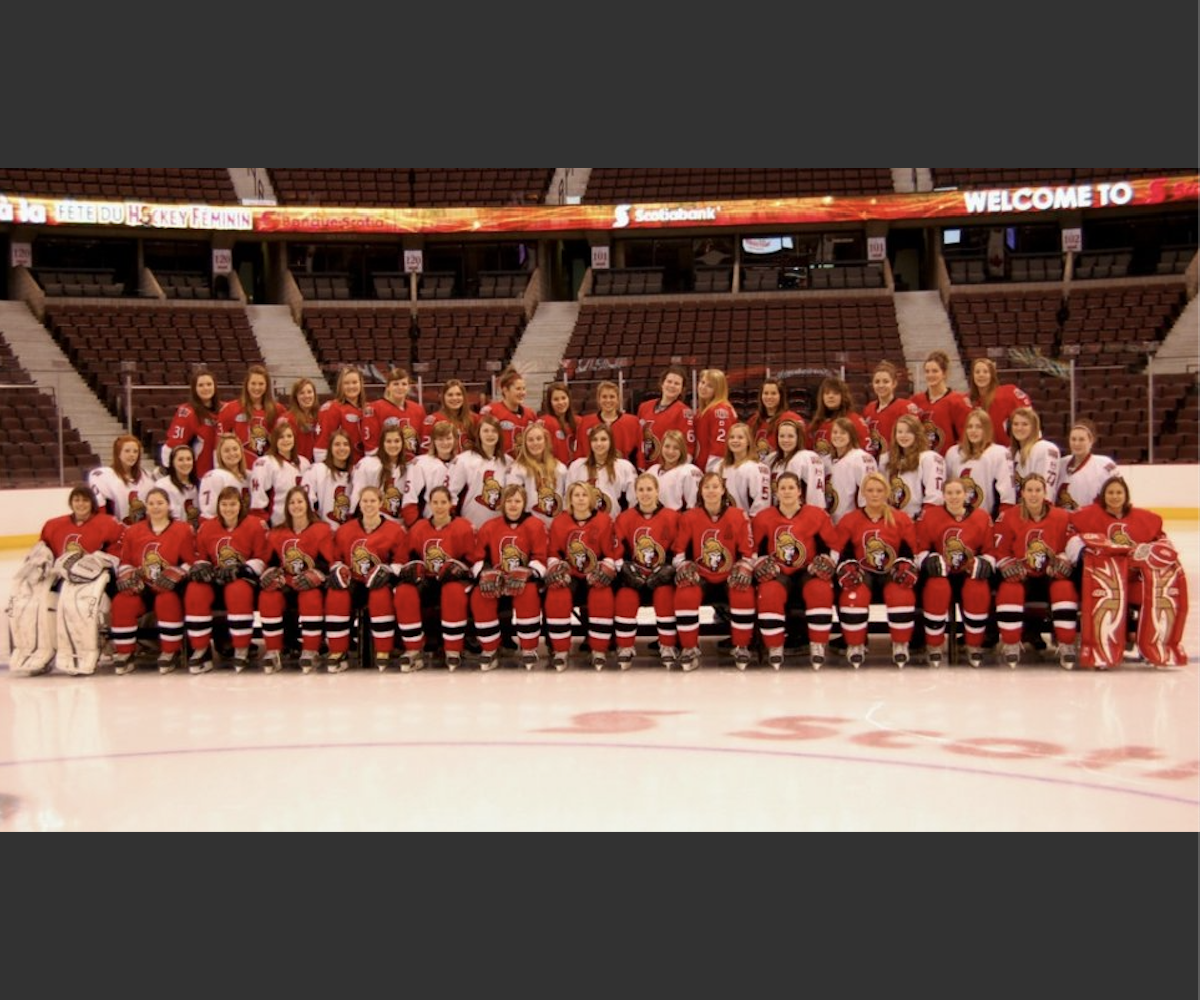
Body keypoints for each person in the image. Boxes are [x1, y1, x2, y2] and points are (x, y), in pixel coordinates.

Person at [1069, 476, 1188, 669]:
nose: (1114, 497)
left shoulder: (1145, 519)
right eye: (1110, 493)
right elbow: (1074, 542)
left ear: (1126, 495)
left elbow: (1162, 544)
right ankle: (1101, 649)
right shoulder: (1087, 517)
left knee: (1158, 592)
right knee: (1104, 596)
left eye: (1118, 493)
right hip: (1103, 579)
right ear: (1103, 496)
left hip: (1135, 578)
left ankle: (1152, 646)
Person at [7, 486, 124, 677]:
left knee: (79, 606)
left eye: (85, 500)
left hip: (93, 579)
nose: (81, 504)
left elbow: (116, 551)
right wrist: (41, 558)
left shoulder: (107, 523)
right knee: (33, 603)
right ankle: (38, 648)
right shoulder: (54, 525)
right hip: (62, 578)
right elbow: (43, 546)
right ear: (71, 502)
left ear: (92, 503)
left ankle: (89, 648)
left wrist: (98, 561)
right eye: (77, 500)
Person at [987, 473, 1079, 669]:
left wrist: (1064, 560)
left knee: (1064, 588)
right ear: (1022, 493)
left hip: (1050, 574)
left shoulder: (1062, 516)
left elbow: (1071, 545)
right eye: (1029, 490)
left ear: (1045, 493)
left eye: (1038, 490)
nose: (1034, 494)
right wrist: (1007, 564)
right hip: (1022, 574)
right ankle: (1011, 643)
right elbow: (999, 549)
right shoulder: (1008, 517)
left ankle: (1066, 643)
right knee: (1009, 589)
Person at [751, 472, 841, 671]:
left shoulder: (817, 515)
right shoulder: (764, 518)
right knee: (769, 593)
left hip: (807, 569)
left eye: (791, 487)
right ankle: (774, 646)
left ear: (800, 491)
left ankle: (818, 644)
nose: (787, 492)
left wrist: (826, 560)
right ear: (776, 491)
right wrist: (761, 563)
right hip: (778, 571)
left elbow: (834, 545)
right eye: (782, 488)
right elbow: (753, 549)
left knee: (820, 590)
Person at [671, 472, 757, 671]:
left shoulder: (738, 516)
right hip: (701, 574)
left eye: (715, 486)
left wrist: (744, 566)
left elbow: (748, 552)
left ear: (723, 490)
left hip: (729, 575)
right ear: (700, 491)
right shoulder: (689, 516)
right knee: (685, 593)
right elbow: (679, 552)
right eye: (706, 487)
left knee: (742, 590)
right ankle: (689, 648)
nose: (711, 491)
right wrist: (683, 565)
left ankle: (742, 645)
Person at [834, 471, 920, 668]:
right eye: (870, 490)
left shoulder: (900, 519)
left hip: (891, 572)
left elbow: (910, 550)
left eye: (879, 490)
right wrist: (847, 566)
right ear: (863, 492)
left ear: (886, 493)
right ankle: (855, 644)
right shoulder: (850, 519)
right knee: (853, 594)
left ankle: (900, 643)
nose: (874, 494)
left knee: (901, 593)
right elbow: (841, 552)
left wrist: (905, 564)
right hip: (863, 572)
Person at [110, 487, 197, 675]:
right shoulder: (133, 531)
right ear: (146, 507)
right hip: (142, 586)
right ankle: (125, 652)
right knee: (122, 601)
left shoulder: (182, 530)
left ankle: (170, 650)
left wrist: (177, 573)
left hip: (170, 588)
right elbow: (124, 561)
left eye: (160, 503)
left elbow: (191, 561)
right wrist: (128, 575)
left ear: (168, 505)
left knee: (167, 601)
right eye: (151, 503)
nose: (156, 507)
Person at [186, 486, 270, 673]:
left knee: (237, 590)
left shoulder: (255, 525)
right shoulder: (207, 527)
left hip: (244, 580)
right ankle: (200, 649)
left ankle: (241, 648)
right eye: (224, 504)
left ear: (240, 505)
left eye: (233, 504)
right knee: (195, 589)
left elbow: (262, 557)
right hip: (216, 578)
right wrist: (201, 567)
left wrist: (243, 568)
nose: (228, 508)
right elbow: (201, 555)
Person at [323, 485, 407, 673]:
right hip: (355, 581)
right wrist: (338, 569)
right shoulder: (345, 530)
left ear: (381, 503)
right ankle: (338, 650)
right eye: (365, 501)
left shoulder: (395, 531)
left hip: (379, 583)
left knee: (380, 595)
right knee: (337, 593)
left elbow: (401, 560)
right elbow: (336, 558)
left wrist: (389, 570)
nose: (369, 505)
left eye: (373, 501)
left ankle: (383, 650)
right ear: (359, 504)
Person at [393, 486, 476, 672]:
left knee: (452, 591)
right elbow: (404, 557)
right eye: (435, 502)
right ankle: (413, 649)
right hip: (427, 580)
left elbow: (472, 559)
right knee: (405, 591)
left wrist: (460, 569)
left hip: (452, 581)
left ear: (451, 504)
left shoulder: (463, 527)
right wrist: (408, 570)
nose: (439, 507)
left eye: (443, 502)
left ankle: (453, 649)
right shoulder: (419, 527)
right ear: (429, 504)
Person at [915, 478, 996, 668]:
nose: (954, 497)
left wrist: (984, 562)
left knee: (977, 588)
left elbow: (990, 550)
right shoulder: (930, 516)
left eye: (958, 493)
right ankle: (934, 645)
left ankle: (973, 645)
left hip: (968, 572)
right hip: (942, 572)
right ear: (943, 495)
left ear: (966, 495)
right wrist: (928, 560)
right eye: (949, 493)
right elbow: (921, 547)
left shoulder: (981, 517)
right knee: (937, 587)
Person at [470, 484, 549, 671]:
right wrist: (484, 572)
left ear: (524, 503)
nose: (513, 505)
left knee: (528, 594)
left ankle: (529, 649)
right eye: (509, 501)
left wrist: (529, 572)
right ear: (502, 503)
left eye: (517, 501)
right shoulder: (490, 527)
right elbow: (478, 557)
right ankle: (489, 649)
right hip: (497, 580)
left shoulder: (535, 525)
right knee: (479, 595)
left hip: (524, 582)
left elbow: (540, 558)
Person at [544, 481, 621, 672]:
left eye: (584, 495)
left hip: (594, 574)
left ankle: (599, 649)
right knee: (557, 595)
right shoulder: (560, 521)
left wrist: (605, 568)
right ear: (569, 499)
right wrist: (556, 568)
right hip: (570, 574)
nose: (580, 499)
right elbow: (553, 552)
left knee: (601, 595)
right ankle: (560, 650)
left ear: (591, 498)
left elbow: (610, 553)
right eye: (576, 495)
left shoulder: (603, 521)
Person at [259, 487, 336, 675]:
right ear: (287, 507)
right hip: (286, 582)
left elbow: (328, 561)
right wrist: (271, 573)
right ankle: (273, 650)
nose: (296, 506)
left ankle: (311, 649)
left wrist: (316, 574)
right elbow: (270, 562)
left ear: (307, 505)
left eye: (300, 501)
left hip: (311, 583)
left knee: (311, 596)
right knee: (268, 596)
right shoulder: (277, 533)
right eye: (292, 502)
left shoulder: (321, 529)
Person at [614, 474, 681, 669]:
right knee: (626, 597)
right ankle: (625, 646)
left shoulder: (672, 517)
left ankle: (667, 645)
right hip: (635, 576)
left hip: (661, 577)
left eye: (649, 489)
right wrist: (625, 569)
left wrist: (668, 568)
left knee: (664, 596)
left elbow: (679, 550)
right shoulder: (625, 518)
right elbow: (618, 551)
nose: (645, 494)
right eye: (641, 490)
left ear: (657, 491)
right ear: (635, 492)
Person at [945, 409, 1016, 519]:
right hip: (957, 518)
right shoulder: (953, 453)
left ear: (987, 429)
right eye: (970, 426)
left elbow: (1006, 493)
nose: (973, 431)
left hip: (986, 520)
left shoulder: (999, 453)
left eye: (979, 427)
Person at [449, 414, 512, 531]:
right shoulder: (464, 460)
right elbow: (451, 494)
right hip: (472, 526)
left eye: (494, 431)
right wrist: (457, 522)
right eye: (486, 430)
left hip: (499, 528)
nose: (490, 434)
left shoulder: (508, 462)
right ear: (478, 433)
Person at [878, 413, 946, 521]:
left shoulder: (929, 458)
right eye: (900, 432)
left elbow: (934, 497)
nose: (903, 435)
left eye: (909, 432)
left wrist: (922, 520)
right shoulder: (887, 459)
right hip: (892, 520)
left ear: (917, 434)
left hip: (916, 521)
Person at [218, 364, 284, 469]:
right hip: (241, 468)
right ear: (246, 384)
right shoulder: (230, 409)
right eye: (253, 383)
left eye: (261, 384)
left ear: (267, 385)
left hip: (269, 467)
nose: (257, 388)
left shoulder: (278, 410)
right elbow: (219, 443)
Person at [566, 424, 638, 517]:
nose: (599, 444)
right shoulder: (577, 466)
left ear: (611, 442)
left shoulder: (624, 467)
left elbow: (633, 501)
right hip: (584, 525)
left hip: (613, 523)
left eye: (603, 439)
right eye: (594, 440)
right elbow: (568, 499)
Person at [160, 367, 222, 477]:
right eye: (201, 385)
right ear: (194, 388)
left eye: (209, 384)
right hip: (196, 475)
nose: (206, 388)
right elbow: (173, 445)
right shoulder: (187, 412)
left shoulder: (225, 410)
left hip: (219, 474)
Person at [910, 350, 972, 456]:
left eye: (935, 371)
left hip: (949, 460)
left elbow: (965, 436)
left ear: (944, 373)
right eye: (927, 371)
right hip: (922, 460)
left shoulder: (957, 401)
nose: (930, 375)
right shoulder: (915, 401)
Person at [506, 422, 568, 527]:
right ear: (525, 443)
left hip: (557, 527)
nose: (535, 443)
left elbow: (566, 498)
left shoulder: (560, 468)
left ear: (546, 441)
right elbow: (513, 503)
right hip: (529, 527)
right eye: (530, 440)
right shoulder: (518, 469)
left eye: (539, 439)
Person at [251, 422, 312, 526]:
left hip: (302, 523)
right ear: (274, 440)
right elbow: (258, 496)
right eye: (281, 437)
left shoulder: (304, 463)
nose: (286, 440)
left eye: (289, 436)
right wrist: (263, 520)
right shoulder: (266, 463)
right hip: (277, 524)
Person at [636, 365, 695, 471]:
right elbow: (640, 439)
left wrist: (678, 472)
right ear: (662, 383)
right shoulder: (644, 407)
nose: (672, 385)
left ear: (682, 389)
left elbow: (688, 447)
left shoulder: (685, 412)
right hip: (644, 469)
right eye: (669, 381)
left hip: (669, 469)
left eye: (677, 383)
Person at [1055, 418, 1120, 512]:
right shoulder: (1060, 464)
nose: (1076, 443)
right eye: (1073, 439)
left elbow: (1119, 494)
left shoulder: (1104, 465)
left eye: (1081, 439)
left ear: (1091, 440)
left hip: (1091, 522)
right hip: (1064, 522)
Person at [402, 420, 460, 526]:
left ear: (455, 440)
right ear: (433, 441)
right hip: (427, 524)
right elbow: (409, 501)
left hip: (453, 525)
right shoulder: (420, 463)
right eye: (440, 439)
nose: (445, 443)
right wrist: (416, 527)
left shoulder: (462, 463)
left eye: (448, 438)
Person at [89, 435, 155, 526]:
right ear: (118, 453)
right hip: (115, 532)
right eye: (127, 451)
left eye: (135, 451)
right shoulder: (103, 476)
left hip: (142, 531)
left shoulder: (147, 476)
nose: (132, 455)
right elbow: (100, 510)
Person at [862, 361, 922, 462]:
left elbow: (917, 439)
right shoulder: (869, 409)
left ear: (894, 383)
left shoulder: (905, 407)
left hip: (898, 462)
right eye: (877, 382)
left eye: (885, 381)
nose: (881, 385)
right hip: (874, 462)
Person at [823, 417, 877, 525]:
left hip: (852, 525)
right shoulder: (826, 460)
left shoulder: (861, 458)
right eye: (835, 432)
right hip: (829, 524)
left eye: (843, 433)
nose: (838, 436)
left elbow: (868, 495)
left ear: (851, 435)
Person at [364, 367, 427, 460]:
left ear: (409, 387)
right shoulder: (374, 409)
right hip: (384, 462)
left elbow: (422, 441)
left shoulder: (418, 409)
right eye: (396, 384)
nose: (400, 387)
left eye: (404, 384)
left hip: (411, 463)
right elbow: (371, 445)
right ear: (388, 387)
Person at [349, 426, 409, 523]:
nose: (393, 445)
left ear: (402, 443)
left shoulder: (407, 468)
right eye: (388, 441)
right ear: (382, 443)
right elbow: (358, 494)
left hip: (398, 525)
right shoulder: (368, 464)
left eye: (397, 441)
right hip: (373, 522)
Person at [574, 380, 642, 465]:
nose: (608, 400)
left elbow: (638, 451)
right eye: (604, 397)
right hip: (593, 470)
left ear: (618, 399)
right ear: (598, 399)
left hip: (622, 471)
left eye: (612, 397)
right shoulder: (585, 422)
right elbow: (580, 452)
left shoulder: (632, 422)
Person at [968, 357, 1031, 448]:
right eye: (977, 372)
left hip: (1010, 449)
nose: (981, 375)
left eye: (985, 372)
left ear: (992, 375)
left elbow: (1029, 417)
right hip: (982, 451)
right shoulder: (968, 400)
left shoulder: (1009, 392)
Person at [301, 428, 356, 532]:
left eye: (345, 444)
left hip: (349, 534)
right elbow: (307, 503)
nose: (341, 448)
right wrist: (320, 529)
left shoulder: (356, 472)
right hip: (323, 533)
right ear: (330, 447)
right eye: (337, 444)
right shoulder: (317, 470)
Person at [766, 418, 826, 511]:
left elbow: (815, 494)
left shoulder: (805, 457)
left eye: (790, 436)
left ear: (798, 437)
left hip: (799, 514)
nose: (785, 440)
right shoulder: (771, 459)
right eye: (782, 436)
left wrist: (815, 514)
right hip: (777, 512)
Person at [314, 367, 369, 465]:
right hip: (341, 467)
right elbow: (322, 444)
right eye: (346, 383)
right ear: (340, 386)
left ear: (361, 384)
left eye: (354, 382)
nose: (351, 386)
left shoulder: (368, 409)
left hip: (363, 465)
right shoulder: (332, 408)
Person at [808, 376, 870, 462]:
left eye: (835, 393)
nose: (830, 396)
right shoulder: (816, 423)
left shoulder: (854, 420)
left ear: (843, 396)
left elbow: (865, 452)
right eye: (827, 393)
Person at [717, 423, 772, 517]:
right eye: (732, 437)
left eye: (740, 437)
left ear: (748, 441)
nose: (735, 440)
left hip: (746, 523)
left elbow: (762, 502)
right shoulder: (720, 466)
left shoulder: (756, 468)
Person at [747, 377, 806, 463]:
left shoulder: (793, 419)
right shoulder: (753, 421)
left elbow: (801, 448)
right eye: (766, 393)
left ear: (781, 396)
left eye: (773, 393)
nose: (769, 397)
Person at [480, 367, 536, 457]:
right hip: (498, 464)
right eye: (518, 389)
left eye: (523, 389)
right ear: (505, 390)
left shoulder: (530, 414)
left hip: (524, 465)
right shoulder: (491, 411)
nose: (522, 392)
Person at [693, 368, 739, 472]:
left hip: (712, 471)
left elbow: (720, 448)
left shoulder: (720, 411)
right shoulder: (702, 411)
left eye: (709, 386)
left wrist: (712, 474)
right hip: (701, 469)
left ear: (718, 389)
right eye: (702, 382)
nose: (703, 387)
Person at [198, 433, 252, 521]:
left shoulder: (249, 476)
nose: (232, 453)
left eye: (235, 449)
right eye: (226, 450)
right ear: (220, 455)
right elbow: (209, 513)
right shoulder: (215, 476)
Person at [646, 429, 703, 512]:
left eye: (676, 448)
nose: (670, 451)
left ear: (682, 450)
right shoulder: (652, 470)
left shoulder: (689, 471)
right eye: (667, 446)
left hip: (677, 520)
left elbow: (694, 507)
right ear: (661, 447)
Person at [1009, 406, 1061, 496]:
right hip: (1019, 506)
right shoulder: (1014, 453)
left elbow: (1047, 488)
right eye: (1015, 424)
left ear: (1034, 427)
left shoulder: (1045, 449)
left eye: (1025, 424)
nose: (1019, 428)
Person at [423, 378, 478, 454]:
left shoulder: (474, 418)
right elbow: (425, 450)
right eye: (450, 395)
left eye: (458, 394)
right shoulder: (433, 420)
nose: (454, 398)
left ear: (464, 397)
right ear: (443, 397)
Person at [155, 444, 201, 531]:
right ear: (172, 462)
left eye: (188, 459)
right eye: (180, 460)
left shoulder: (199, 484)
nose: (185, 463)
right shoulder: (162, 485)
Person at [537, 381, 580, 467]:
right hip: (553, 470)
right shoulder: (544, 422)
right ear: (550, 402)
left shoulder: (579, 421)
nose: (560, 402)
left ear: (569, 399)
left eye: (563, 398)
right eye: (556, 399)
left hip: (573, 471)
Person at [282, 377, 321, 463]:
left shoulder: (321, 417)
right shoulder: (288, 419)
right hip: (295, 465)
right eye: (302, 393)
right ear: (296, 397)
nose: (306, 396)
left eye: (309, 392)